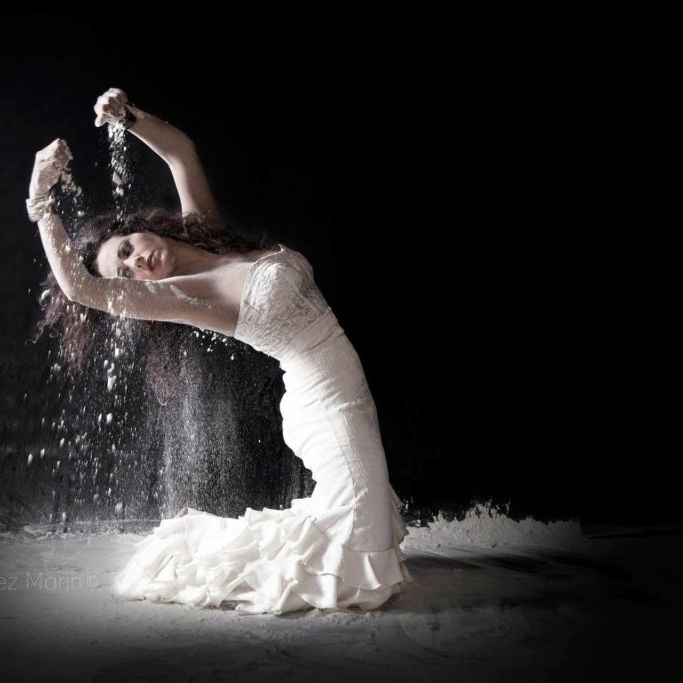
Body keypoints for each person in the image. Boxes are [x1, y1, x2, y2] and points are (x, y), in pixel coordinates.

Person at [25, 88, 413, 615]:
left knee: (368, 537)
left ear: (138, 229)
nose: (137, 262)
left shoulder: (209, 237)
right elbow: (82, 290)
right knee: (362, 568)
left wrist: (129, 117)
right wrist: (40, 200)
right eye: (126, 272)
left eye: (127, 249)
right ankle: (193, 560)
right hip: (324, 401)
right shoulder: (185, 298)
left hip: (345, 388)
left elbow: (181, 151)